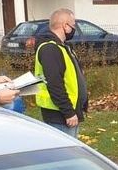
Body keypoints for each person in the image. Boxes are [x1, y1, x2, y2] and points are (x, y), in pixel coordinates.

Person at [33, 9, 88, 137]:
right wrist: (68, 112)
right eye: (73, 26)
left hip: (67, 111)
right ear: (65, 26)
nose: (74, 29)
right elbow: (54, 83)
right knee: (66, 154)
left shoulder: (62, 47)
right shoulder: (50, 48)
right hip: (59, 115)